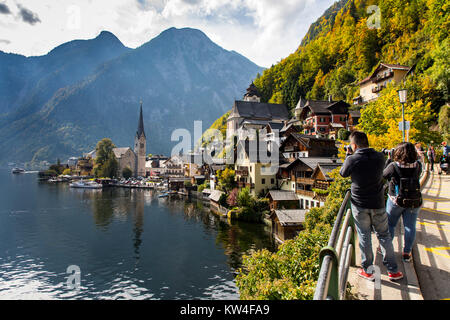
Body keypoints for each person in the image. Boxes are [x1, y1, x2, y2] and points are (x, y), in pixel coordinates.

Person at [340, 131, 403, 281]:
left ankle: (368, 270)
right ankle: (393, 270)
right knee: (384, 236)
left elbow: (343, 173)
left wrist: (348, 155)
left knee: (364, 236)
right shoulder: (379, 157)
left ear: (354, 145)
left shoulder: (353, 159)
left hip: (359, 204)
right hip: (378, 202)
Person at [384, 142, 423, 262]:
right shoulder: (418, 165)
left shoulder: (393, 166)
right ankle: (407, 252)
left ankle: (387, 249)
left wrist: (389, 160)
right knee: (410, 226)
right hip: (414, 200)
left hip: (396, 201)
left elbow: (384, 175)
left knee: (390, 225)